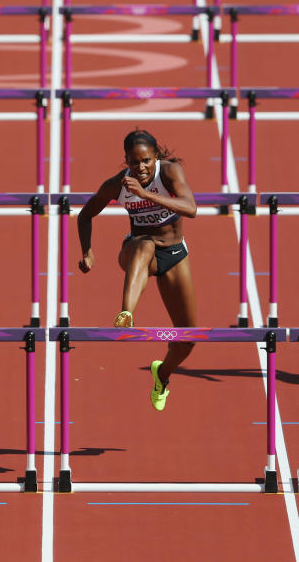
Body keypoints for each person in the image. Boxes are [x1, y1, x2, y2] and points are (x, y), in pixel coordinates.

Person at [77, 129, 198, 411]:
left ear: (156, 157)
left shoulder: (169, 172)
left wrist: (145, 194)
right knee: (144, 244)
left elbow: (190, 208)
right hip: (137, 252)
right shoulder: (118, 184)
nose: (140, 167)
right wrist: (87, 251)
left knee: (188, 339)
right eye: (134, 162)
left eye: (145, 161)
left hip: (174, 254)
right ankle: (126, 313)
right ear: (126, 161)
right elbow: (85, 214)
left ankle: (162, 374)